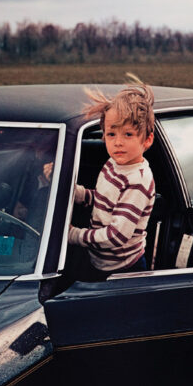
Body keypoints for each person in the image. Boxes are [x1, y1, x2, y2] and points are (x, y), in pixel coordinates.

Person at [68, 75, 156, 281]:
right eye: (111, 134)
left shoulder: (138, 182)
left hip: (122, 267)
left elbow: (116, 236)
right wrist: (76, 193)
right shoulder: (114, 164)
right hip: (99, 257)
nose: (118, 143)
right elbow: (103, 200)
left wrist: (75, 236)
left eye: (128, 134)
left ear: (147, 140)